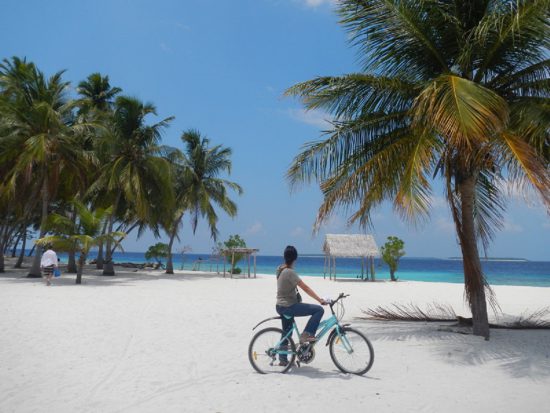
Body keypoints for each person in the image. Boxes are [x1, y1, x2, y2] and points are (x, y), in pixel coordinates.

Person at [276, 245, 327, 366]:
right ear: (295, 258)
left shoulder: (280, 269)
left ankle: (283, 360)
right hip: (289, 306)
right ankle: (307, 335)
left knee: (287, 332)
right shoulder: (290, 272)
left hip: (280, 306)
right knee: (318, 310)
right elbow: (305, 288)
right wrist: (320, 300)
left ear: (285, 257)